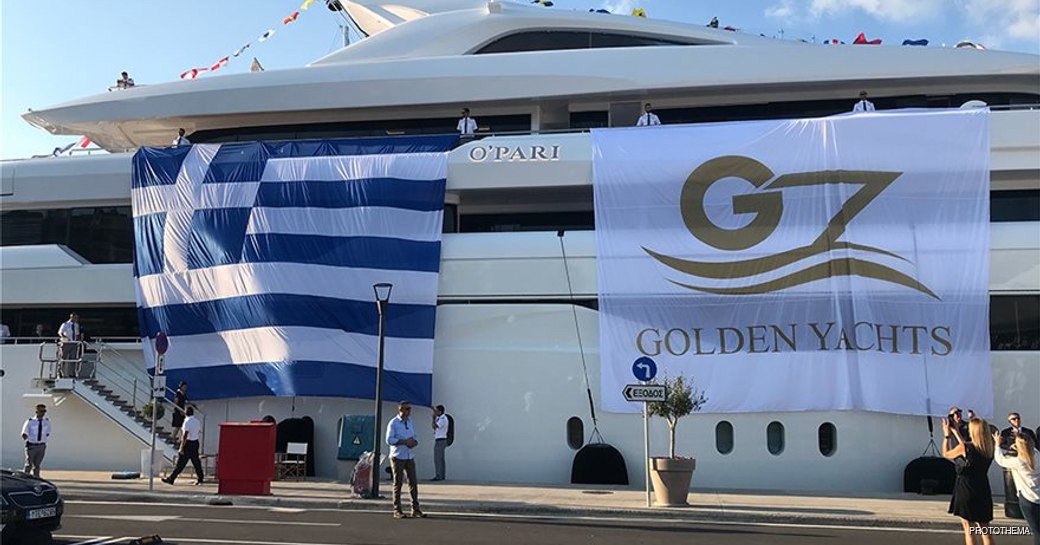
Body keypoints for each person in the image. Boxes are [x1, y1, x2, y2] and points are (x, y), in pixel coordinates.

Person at [943, 416, 996, 545]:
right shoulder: (989, 448)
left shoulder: (966, 448)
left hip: (966, 488)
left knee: (969, 529)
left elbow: (946, 454)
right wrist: (955, 431)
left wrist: (947, 436)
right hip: (982, 487)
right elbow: (966, 447)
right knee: (985, 530)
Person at [993, 430, 1040, 544]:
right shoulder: (1037, 455)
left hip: (1028, 498)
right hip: (1038, 494)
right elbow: (1030, 448)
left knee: (1037, 531)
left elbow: (1000, 460)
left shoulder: (1019, 462)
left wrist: (997, 445)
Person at [386, 400, 425, 519]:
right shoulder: (393, 423)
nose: (409, 412)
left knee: (413, 482)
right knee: (398, 483)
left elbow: (415, 436)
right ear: (400, 409)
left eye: (410, 409)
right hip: (398, 456)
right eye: (407, 409)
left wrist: (414, 442)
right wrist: (403, 442)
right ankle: (397, 509)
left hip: (409, 455)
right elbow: (389, 440)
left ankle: (415, 509)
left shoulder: (410, 422)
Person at [163, 406, 204, 485]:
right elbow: (198, 431)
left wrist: (181, 447)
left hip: (188, 443)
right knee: (196, 462)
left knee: (181, 463)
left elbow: (185, 435)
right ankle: (200, 478)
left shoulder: (186, 422)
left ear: (186, 413)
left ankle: (171, 479)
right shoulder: (197, 421)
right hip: (195, 442)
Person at [21, 404, 51, 477]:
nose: (43, 413)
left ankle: (36, 479)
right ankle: (25, 479)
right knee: (28, 465)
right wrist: (28, 443)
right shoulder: (30, 421)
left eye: (44, 411)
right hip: (32, 445)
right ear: (36, 411)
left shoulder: (46, 422)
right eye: (41, 411)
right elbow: (24, 433)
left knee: (37, 465)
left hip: (41, 446)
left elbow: (47, 433)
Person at [431, 405, 449, 481]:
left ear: (440, 411)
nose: (435, 412)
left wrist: (433, 418)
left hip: (441, 440)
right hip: (440, 440)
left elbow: (434, 426)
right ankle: (441, 475)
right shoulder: (441, 418)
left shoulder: (443, 419)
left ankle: (439, 475)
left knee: (438, 459)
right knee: (440, 459)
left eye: (436, 411)